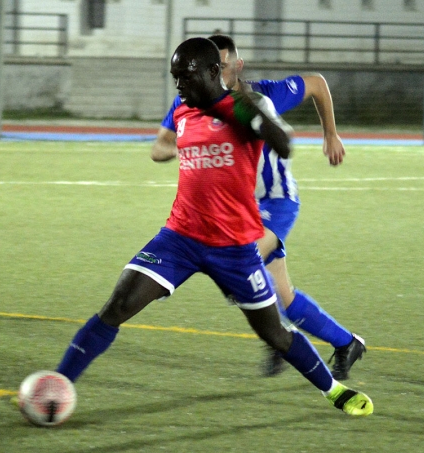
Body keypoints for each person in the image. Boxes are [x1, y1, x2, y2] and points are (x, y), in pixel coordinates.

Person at [53, 37, 373, 417]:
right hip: (179, 237)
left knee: (274, 334)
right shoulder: (182, 109)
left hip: (234, 246)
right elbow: (161, 147)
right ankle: (56, 384)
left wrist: (251, 116)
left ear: (211, 72)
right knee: (117, 305)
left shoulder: (242, 105)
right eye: (174, 77)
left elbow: (283, 145)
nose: (178, 85)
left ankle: (334, 389)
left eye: (184, 77)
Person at [152, 34, 366, 380]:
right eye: (211, 69)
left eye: (221, 67)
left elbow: (316, 84)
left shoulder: (263, 96)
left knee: (238, 261)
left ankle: (277, 338)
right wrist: (189, 148)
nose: (215, 75)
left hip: (278, 202)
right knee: (284, 296)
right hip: (242, 209)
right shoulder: (192, 100)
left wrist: (330, 133)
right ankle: (346, 343)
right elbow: (159, 147)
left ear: (237, 66)